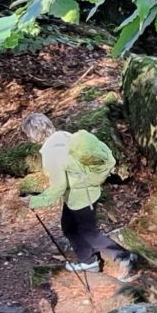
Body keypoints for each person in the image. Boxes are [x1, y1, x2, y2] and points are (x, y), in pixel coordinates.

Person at [22, 113, 136, 275]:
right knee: (69, 227)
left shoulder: (50, 153)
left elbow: (59, 187)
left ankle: (123, 257)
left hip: (81, 196)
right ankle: (88, 261)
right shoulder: (62, 136)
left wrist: (34, 201)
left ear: (32, 134)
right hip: (84, 192)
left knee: (88, 232)